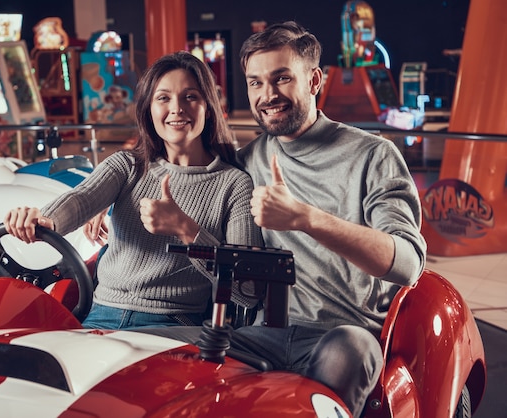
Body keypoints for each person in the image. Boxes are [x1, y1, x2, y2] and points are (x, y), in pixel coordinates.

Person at [89, 22, 427, 416]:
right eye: (255, 83)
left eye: (282, 78)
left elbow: (407, 265)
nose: (268, 95)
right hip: (257, 334)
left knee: (347, 351)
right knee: (147, 349)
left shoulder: (373, 155)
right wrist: (112, 201)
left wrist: (306, 218)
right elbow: (182, 167)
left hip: (340, 334)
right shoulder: (248, 162)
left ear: (314, 79)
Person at [4, 51, 263, 330]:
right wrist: (43, 219)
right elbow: (81, 199)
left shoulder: (234, 184)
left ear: (208, 107)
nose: (177, 108)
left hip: (173, 324)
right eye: (163, 98)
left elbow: (247, 292)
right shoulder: (127, 165)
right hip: (102, 314)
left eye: (190, 96)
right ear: (149, 109)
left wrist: (186, 230)